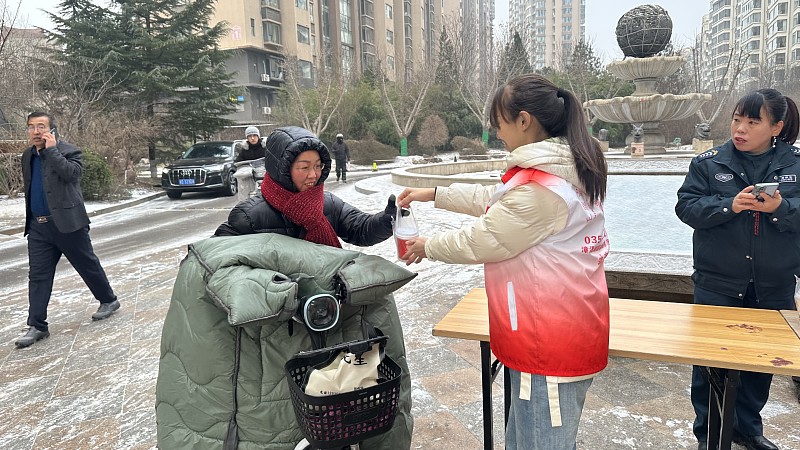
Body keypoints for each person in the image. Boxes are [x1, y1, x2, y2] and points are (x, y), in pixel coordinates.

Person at [396, 74, 610, 450]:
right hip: (559, 329)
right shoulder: (562, 172)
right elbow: (497, 199)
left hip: (548, 343)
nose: (497, 133)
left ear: (524, 121)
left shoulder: (543, 189)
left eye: (499, 123)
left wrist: (427, 246)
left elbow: (485, 238)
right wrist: (435, 194)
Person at [676, 88, 800, 450]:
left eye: (752, 122)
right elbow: (686, 207)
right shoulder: (709, 163)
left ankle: (747, 430)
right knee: (709, 366)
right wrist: (729, 205)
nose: (740, 129)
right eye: (736, 119)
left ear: (776, 127)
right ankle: (710, 435)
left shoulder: (795, 164)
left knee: (761, 365)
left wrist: (779, 209)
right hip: (717, 282)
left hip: (773, 283)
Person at [15, 112, 119, 349]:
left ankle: (109, 300)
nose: (36, 131)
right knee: (38, 276)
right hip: (38, 227)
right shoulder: (27, 155)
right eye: (31, 127)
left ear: (52, 130)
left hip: (68, 224)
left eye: (41, 126)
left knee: (87, 265)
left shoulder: (69, 151)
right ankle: (37, 325)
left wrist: (52, 151)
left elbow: (72, 175)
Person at [215, 126, 395, 246]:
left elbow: (361, 228)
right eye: (304, 167)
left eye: (318, 166)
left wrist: (388, 219)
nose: (313, 175)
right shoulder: (249, 216)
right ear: (282, 169)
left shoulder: (328, 203)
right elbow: (214, 258)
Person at [233, 126, 267, 201]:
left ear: (258, 136)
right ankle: (245, 202)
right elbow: (239, 163)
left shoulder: (265, 148)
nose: (252, 138)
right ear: (247, 138)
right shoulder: (244, 150)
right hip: (250, 178)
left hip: (264, 175)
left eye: (254, 135)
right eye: (250, 136)